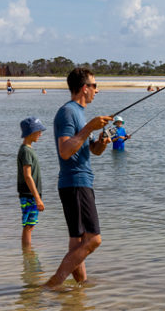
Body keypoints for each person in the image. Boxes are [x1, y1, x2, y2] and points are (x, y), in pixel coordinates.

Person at [45, 68, 112, 289]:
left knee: (77, 242)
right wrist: (89, 127)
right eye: (94, 86)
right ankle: (53, 283)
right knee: (94, 239)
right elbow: (65, 150)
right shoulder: (68, 112)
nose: (97, 90)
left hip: (76, 183)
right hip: (76, 182)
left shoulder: (79, 113)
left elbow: (92, 150)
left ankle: (80, 292)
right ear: (85, 88)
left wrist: (100, 142)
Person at [18, 116, 47, 252]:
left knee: (30, 224)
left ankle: (27, 252)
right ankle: (27, 252)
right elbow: (27, 176)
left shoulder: (28, 149)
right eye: (38, 131)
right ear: (30, 132)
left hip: (30, 193)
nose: (40, 134)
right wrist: (37, 198)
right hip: (29, 193)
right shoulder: (26, 150)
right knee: (29, 225)